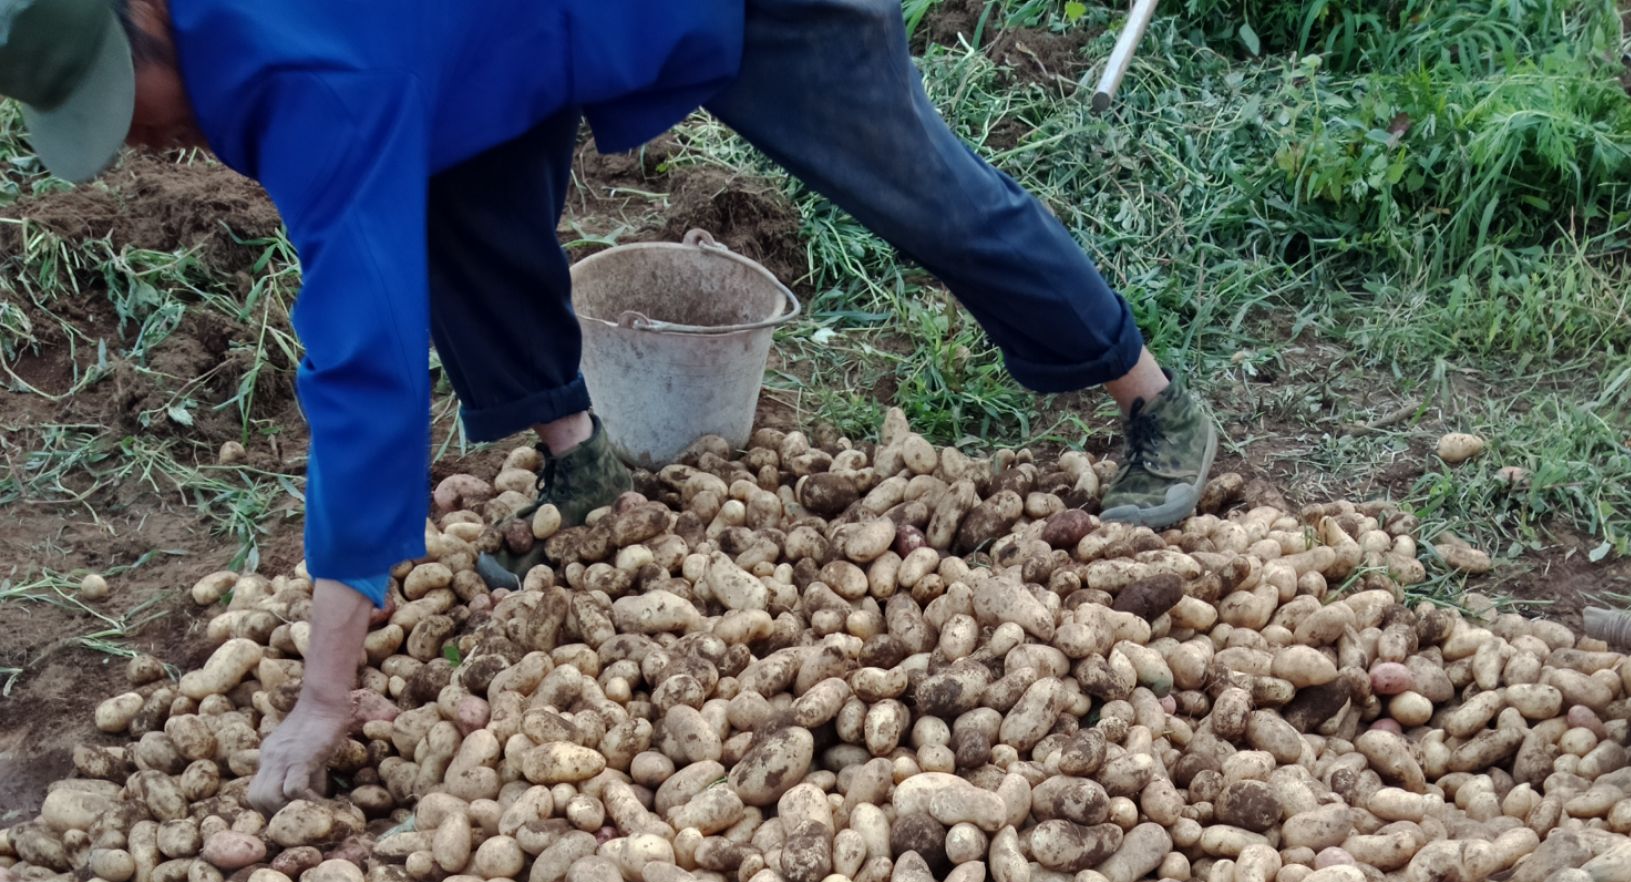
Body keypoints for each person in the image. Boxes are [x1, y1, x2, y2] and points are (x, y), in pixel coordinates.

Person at [0, 0, 1219, 813]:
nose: (146, 148)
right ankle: (581, 464)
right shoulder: (253, 55)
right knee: (457, 179)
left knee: (914, 190)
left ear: (148, 26)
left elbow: (362, 373)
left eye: (132, 113)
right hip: (527, 24)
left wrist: (328, 692)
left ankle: (1152, 398)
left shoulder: (311, 79)